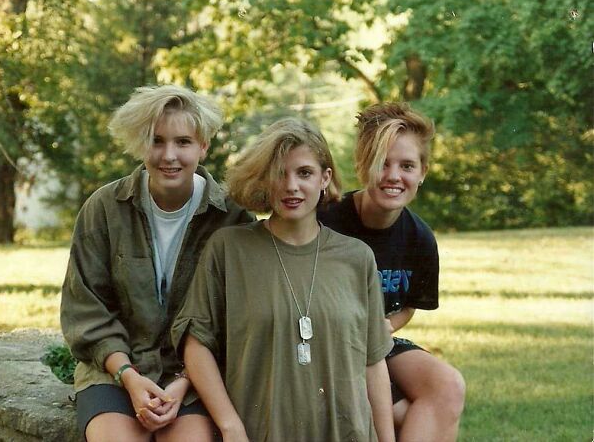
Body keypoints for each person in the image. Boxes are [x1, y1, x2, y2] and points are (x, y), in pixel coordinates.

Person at [172, 118, 396, 442]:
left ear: (325, 178)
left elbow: (373, 362)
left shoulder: (357, 257)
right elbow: (195, 343)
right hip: (259, 431)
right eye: (280, 173)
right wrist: (230, 425)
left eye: (304, 173)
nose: (291, 186)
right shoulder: (229, 249)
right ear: (264, 180)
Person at [60, 84, 253, 442]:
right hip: (115, 373)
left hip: (198, 379)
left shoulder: (233, 218)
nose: (169, 155)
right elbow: (86, 311)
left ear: (203, 146)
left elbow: (237, 320)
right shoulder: (103, 209)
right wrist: (129, 377)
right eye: (157, 140)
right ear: (140, 143)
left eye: (183, 142)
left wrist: (183, 383)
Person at [318, 102, 466, 442]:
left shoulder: (420, 238)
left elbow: (408, 306)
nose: (394, 176)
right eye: (382, 164)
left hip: (379, 342)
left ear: (422, 172)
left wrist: (386, 326)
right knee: (402, 415)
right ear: (362, 165)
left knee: (448, 386)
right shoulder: (326, 221)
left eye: (407, 165)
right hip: (328, 348)